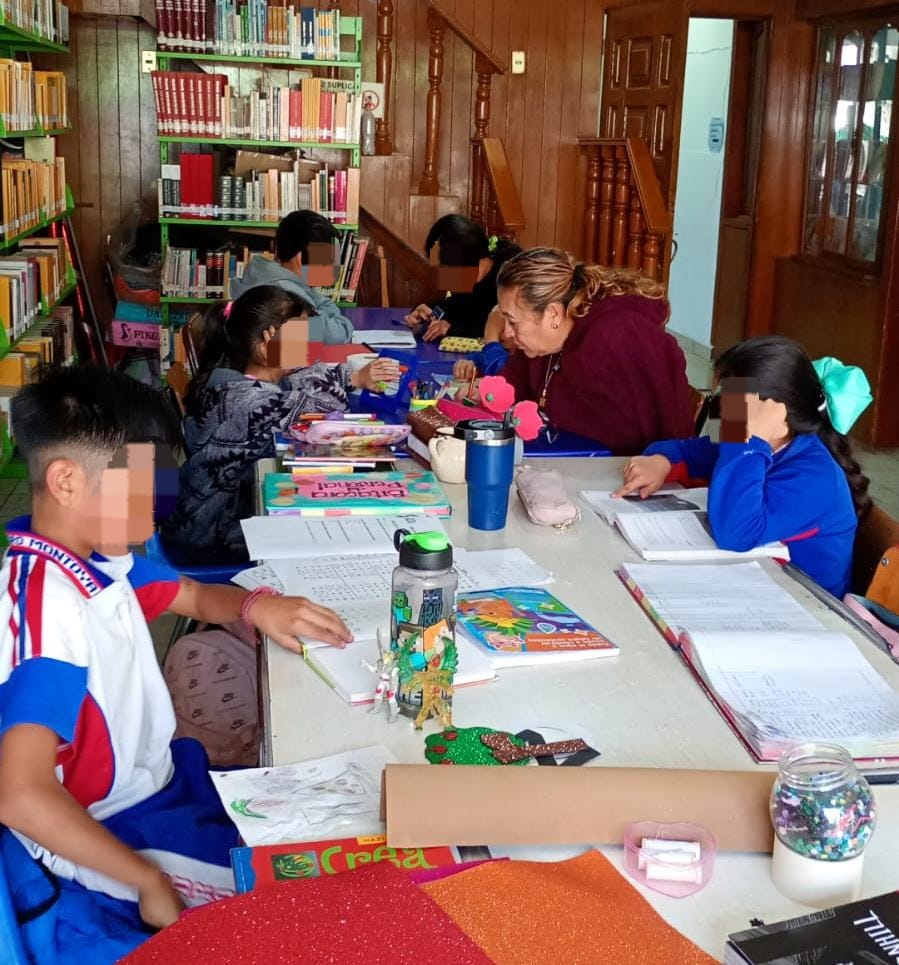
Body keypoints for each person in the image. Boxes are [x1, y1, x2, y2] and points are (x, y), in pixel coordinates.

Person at [0, 366, 353, 964]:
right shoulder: (46, 612)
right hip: (106, 841)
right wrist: (144, 879)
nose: (162, 507)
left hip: (159, 793)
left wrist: (254, 606)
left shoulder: (95, 558)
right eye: (145, 487)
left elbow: (187, 594)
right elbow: (19, 794)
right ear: (66, 481)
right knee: (312, 912)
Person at [613, 337, 873, 598]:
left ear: (779, 418)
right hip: (757, 583)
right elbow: (697, 451)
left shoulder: (814, 477)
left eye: (735, 406)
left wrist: (752, 442)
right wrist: (663, 461)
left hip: (806, 605)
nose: (723, 417)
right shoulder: (765, 443)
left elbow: (735, 533)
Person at [160, 286, 399, 567]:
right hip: (211, 533)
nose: (308, 346)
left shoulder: (240, 379)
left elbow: (301, 380)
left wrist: (348, 376)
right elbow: (323, 405)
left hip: (217, 514)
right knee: (333, 533)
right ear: (265, 346)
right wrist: (355, 379)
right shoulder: (246, 402)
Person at [492, 247, 694, 453]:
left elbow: (666, 436)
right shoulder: (544, 343)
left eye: (512, 321)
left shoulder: (620, 339)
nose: (506, 332)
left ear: (553, 314)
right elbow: (513, 384)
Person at [229, 210, 354, 343]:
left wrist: (319, 311)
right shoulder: (286, 300)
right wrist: (333, 318)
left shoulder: (263, 275)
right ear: (301, 258)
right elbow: (337, 334)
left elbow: (319, 301)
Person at [403, 215, 521, 341]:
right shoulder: (466, 273)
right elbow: (456, 307)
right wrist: (427, 310)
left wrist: (453, 330)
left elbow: (506, 326)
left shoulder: (512, 270)